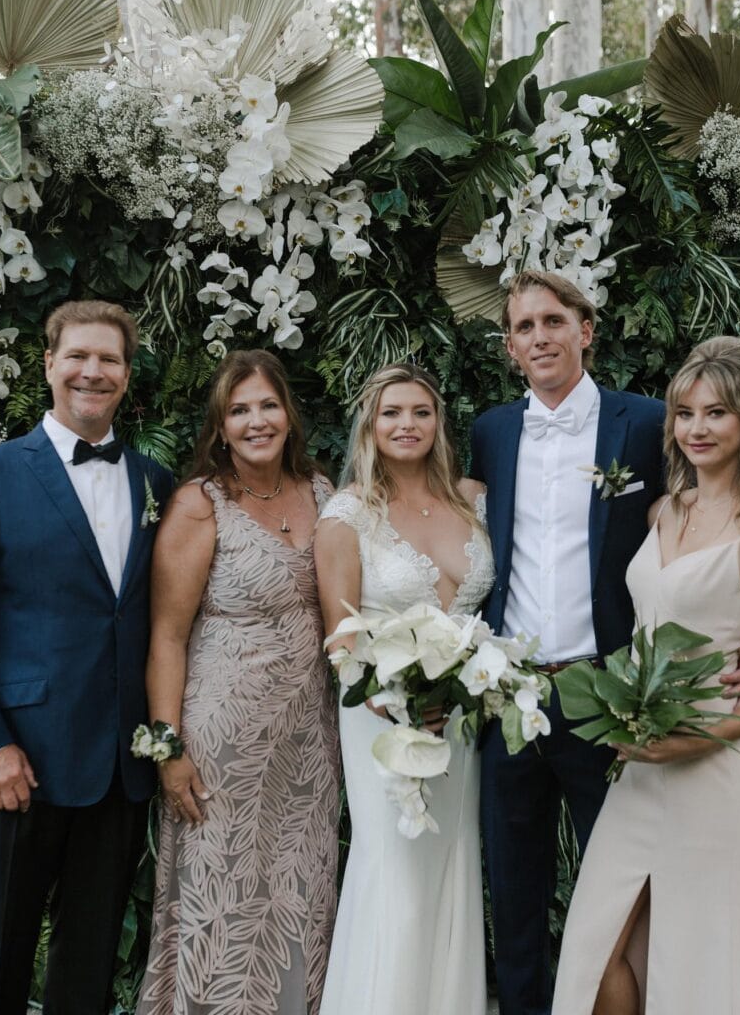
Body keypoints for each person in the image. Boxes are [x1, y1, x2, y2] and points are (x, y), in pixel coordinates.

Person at [470, 271, 740, 1015]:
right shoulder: (492, 433)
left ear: (585, 330)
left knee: (627, 906)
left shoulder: (646, 423)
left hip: (617, 699)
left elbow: (699, 530)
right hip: (513, 696)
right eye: (525, 326)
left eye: (553, 321)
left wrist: (736, 630)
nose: (540, 336)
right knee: (515, 890)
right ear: (509, 346)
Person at [551, 335, 740, 1015]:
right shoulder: (663, 509)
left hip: (714, 770)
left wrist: (698, 739)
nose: (696, 428)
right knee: (597, 952)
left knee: (697, 963)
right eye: (684, 413)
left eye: (715, 413)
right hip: (640, 766)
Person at [136, 349, 339, 1015]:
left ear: (289, 414)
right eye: (239, 410)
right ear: (221, 428)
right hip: (220, 744)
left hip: (309, 744)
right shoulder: (202, 504)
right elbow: (166, 634)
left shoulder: (325, 492)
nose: (257, 421)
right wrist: (169, 750)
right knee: (217, 904)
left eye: (268, 405)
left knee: (299, 899)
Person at [0, 300, 173, 1015]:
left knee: (87, 967)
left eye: (110, 360)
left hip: (120, 765)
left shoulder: (156, 482)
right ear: (49, 365)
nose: (94, 372)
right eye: (79, 356)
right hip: (18, 763)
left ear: (127, 374)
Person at [314, 363, 495, 1015]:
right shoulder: (347, 513)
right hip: (382, 717)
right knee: (396, 870)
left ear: (437, 422)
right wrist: (402, 704)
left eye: (420, 412)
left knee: (452, 865)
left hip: (465, 717)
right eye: (392, 412)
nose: (407, 424)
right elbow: (340, 638)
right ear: (370, 422)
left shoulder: (475, 500)